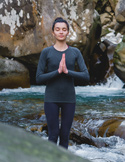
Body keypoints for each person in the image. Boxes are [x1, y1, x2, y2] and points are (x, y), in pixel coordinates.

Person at [36, 17, 90, 149]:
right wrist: (57, 72)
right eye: (58, 29)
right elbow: (38, 78)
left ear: (68, 32)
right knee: (53, 135)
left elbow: (86, 76)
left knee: (65, 135)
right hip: (51, 99)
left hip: (69, 99)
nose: (61, 32)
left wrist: (67, 72)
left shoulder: (75, 52)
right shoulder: (46, 52)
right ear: (53, 32)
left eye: (64, 29)